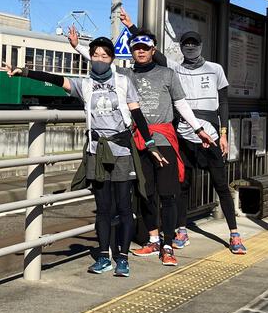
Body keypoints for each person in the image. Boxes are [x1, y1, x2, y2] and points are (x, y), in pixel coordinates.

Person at [3, 35, 164, 277]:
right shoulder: (84, 84)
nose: (100, 59)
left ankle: (122, 257)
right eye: (96, 55)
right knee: (103, 208)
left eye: (104, 55)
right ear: (91, 58)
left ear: (111, 59)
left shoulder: (123, 82)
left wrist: (150, 144)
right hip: (96, 152)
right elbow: (56, 79)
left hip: (121, 151)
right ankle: (103, 256)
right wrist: (23, 72)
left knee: (123, 206)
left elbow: (138, 115)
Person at [67, 26, 213, 267]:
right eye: (136, 48)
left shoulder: (167, 74)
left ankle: (168, 244)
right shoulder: (126, 76)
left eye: (145, 48)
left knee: (168, 195)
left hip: (164, 139)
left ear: (153, 50)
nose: (141, 52)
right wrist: (76, 47)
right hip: (137, 142)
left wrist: (199, 129)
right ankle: (153, 239)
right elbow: (100, 60)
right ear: (132, 52)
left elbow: (182, 105)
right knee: (146, 193)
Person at [118, 8, 247, 255]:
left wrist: (223, 132)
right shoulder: (174, 68)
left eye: (194, 44)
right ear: (181, 47)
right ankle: (181, 230)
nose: (190, 48)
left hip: (210, 134)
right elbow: (148, 49)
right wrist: (131, 26)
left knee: (221, 184)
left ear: (201, 45)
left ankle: (234, 234)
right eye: (186, 44)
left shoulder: (215, 69)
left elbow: (224, 102)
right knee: (182, 184)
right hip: (183, 135)